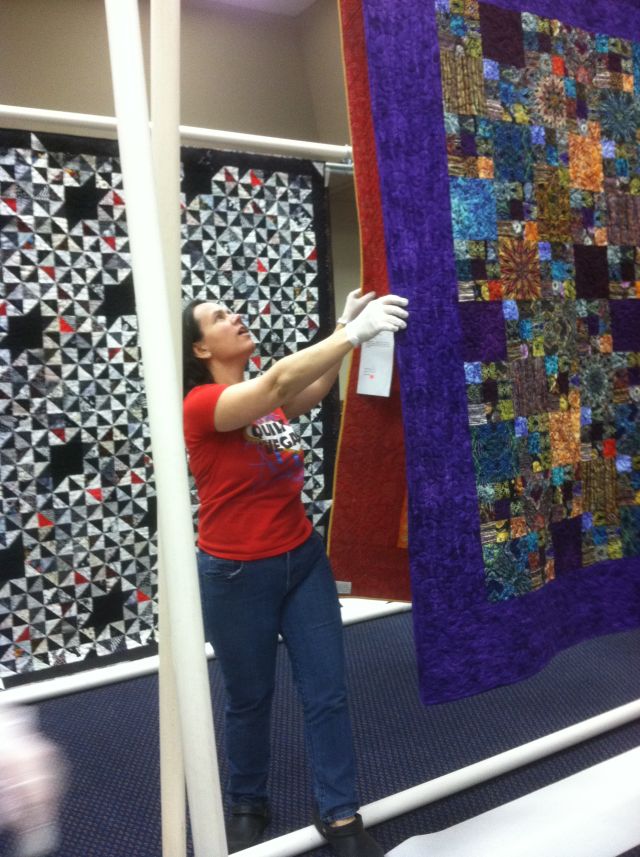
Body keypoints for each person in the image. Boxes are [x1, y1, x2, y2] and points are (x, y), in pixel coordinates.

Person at [182, 289, 408, 856]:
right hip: (237, 575)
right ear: (200, 349)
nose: (234, 316)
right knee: (249, 697)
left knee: (327, 691)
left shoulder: (266, 400)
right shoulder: (203, 404)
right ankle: (247, 800)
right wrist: (350, 334)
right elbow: (279, 383)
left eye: (230, 309)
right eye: (218, 317)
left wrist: (342, 330)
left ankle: (339, 814)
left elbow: (311, 385)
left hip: (303, 562)